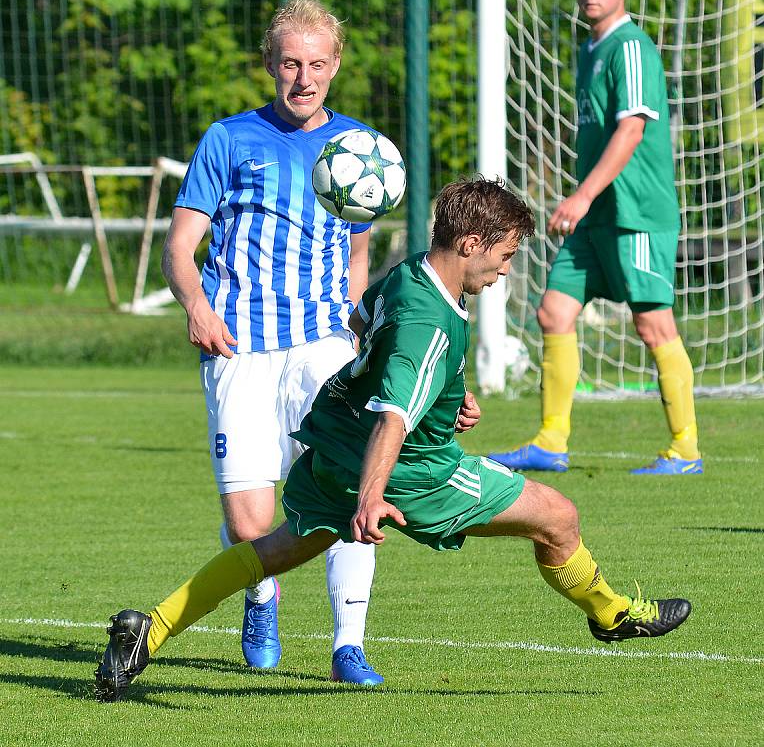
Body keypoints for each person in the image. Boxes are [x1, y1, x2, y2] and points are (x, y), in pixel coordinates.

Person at [95, 177, 691, 702]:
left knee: (271, 553)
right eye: (505, 255)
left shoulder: (406, 276)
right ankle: (612, 616)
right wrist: (371, 496)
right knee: (558, 516)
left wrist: (447, 394)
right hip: (410, 469)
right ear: (471, 244)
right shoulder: (429, 322)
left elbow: (362, 325)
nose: (506, 270)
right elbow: (394, 418)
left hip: (333, 449)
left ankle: (148, 630)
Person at [160, 0, 381, 684]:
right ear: (270, 65)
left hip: (321, 344)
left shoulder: (357, 150)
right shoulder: (227, 140)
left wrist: (353, 319)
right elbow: (180, 246)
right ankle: (261, 592)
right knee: (254, 523)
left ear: (336, 65)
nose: (303, 77)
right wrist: (196, 305)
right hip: (239, 347)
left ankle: (350, 644)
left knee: (348, 492)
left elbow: (357, 251)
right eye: (290, 62)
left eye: (317, 63)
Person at [489, 0, 702, 476]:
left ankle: (686, 448)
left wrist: (580, 195)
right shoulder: (590, 49)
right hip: (597, 215)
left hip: (635, 214)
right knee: (553, 311)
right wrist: (586, 201)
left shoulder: (630, 47)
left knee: (653, 325)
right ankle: (550, 441)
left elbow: (632, 129)